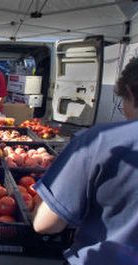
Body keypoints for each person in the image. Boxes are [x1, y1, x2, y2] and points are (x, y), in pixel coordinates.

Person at [32, 57, 138, 264]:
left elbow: (46, 224)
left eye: (122, 101)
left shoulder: (101, 140)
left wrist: (37, 205)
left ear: (131, 92)